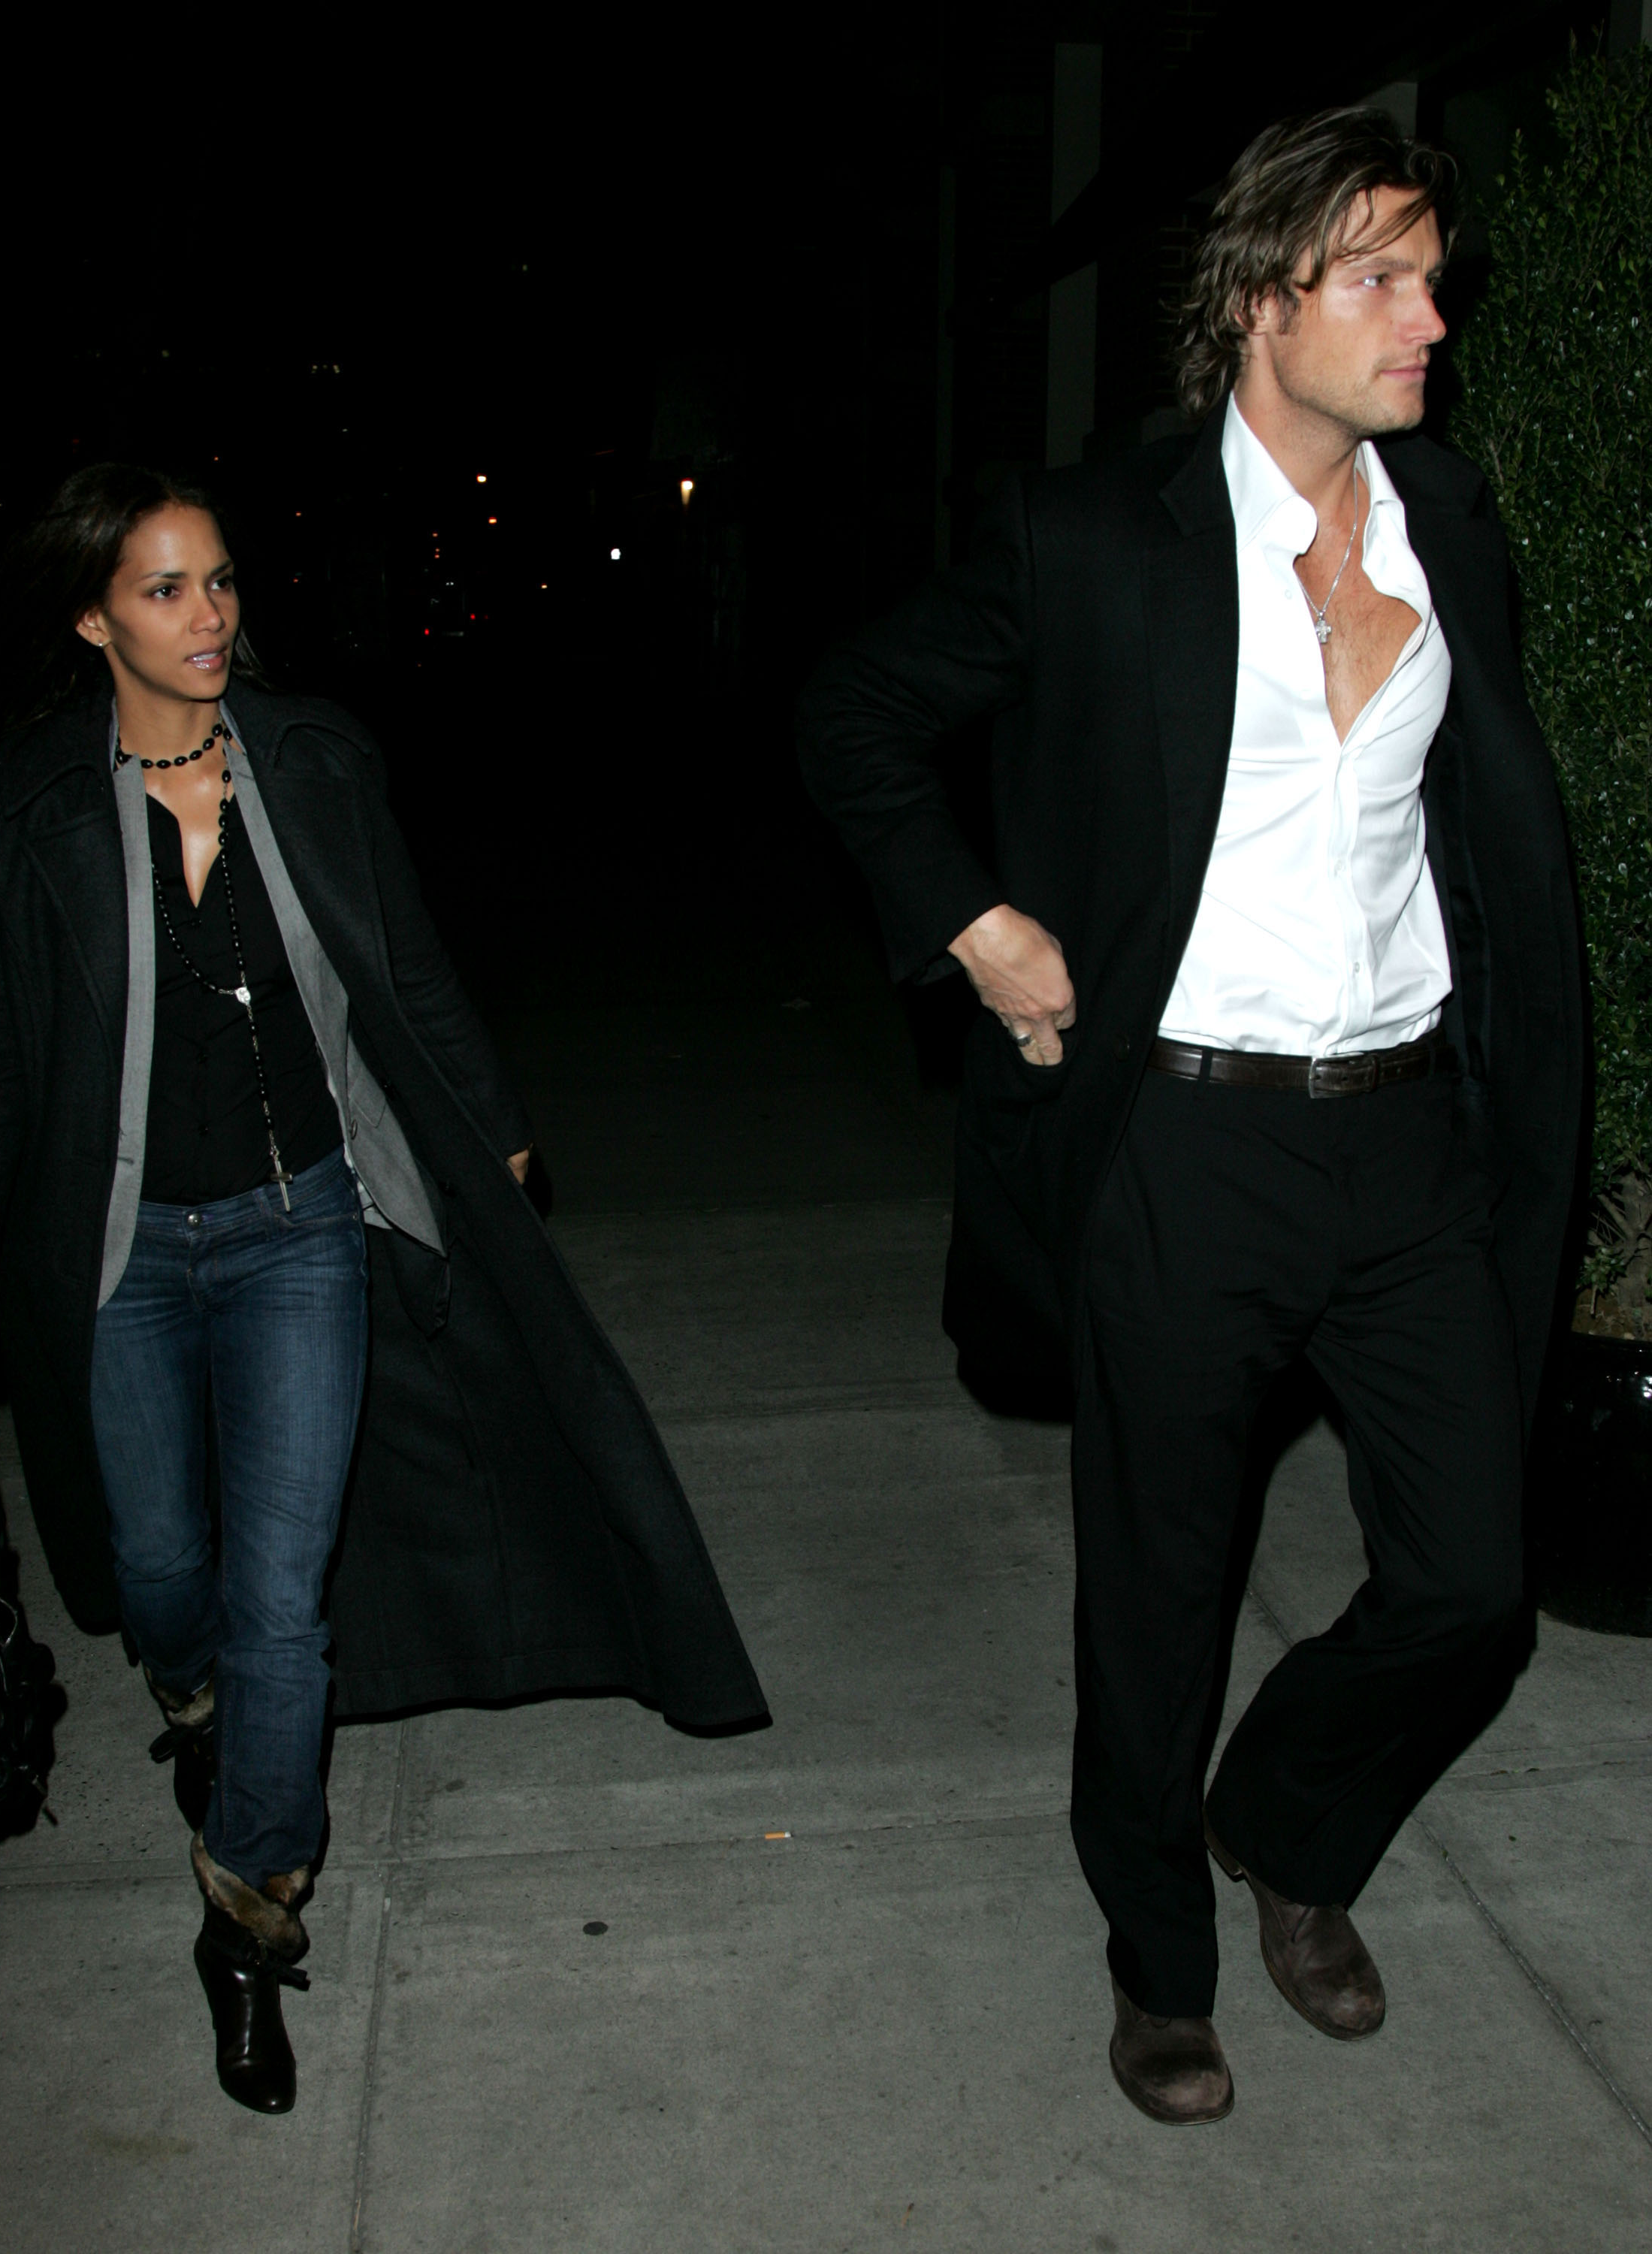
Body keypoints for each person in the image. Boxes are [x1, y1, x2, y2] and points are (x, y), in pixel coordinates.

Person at [797, 109, 1581, 2123]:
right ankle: (1158, 1960)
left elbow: (1478, 844)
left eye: (1428, 274)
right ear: (1258, 306)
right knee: (1153, 1589)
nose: (1426, 318)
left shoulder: (1446, 523)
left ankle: (1284, 1827)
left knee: (1469, 1583)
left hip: (1403, 1135)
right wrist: (974, 926)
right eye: (1378, 279)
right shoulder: (1096, 540)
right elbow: (859, 714)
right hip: (1184, 1146)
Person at [0, 464, 767, 2116]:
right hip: (122, 1261)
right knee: (165, 1572)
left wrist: (495, 1134)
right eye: (167, 591)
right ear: (95, 618)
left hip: (306, 1227)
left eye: (222, 582)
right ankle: (194, 1704)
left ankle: (248, 1922)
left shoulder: (311, 758)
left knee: (281, 1597)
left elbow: (409, 965)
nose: (210, 616)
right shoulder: (18, 811)